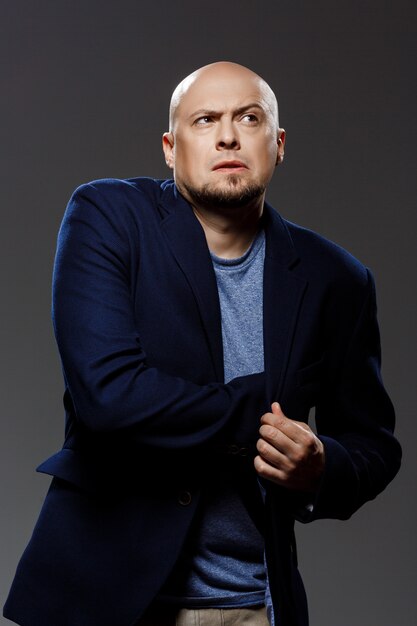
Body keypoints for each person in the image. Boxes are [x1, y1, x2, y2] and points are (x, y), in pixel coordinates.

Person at [4, 61, 401, 626]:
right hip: (103, 600)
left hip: (253, 608)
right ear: (170, 147)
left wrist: (322, 467)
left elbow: (373, 443)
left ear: (279, 143)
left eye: (249, 117)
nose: (227, 135)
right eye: (205, 120)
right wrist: (260, 407)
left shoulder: (336, 277)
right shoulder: (109, 218)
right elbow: (110, 397)